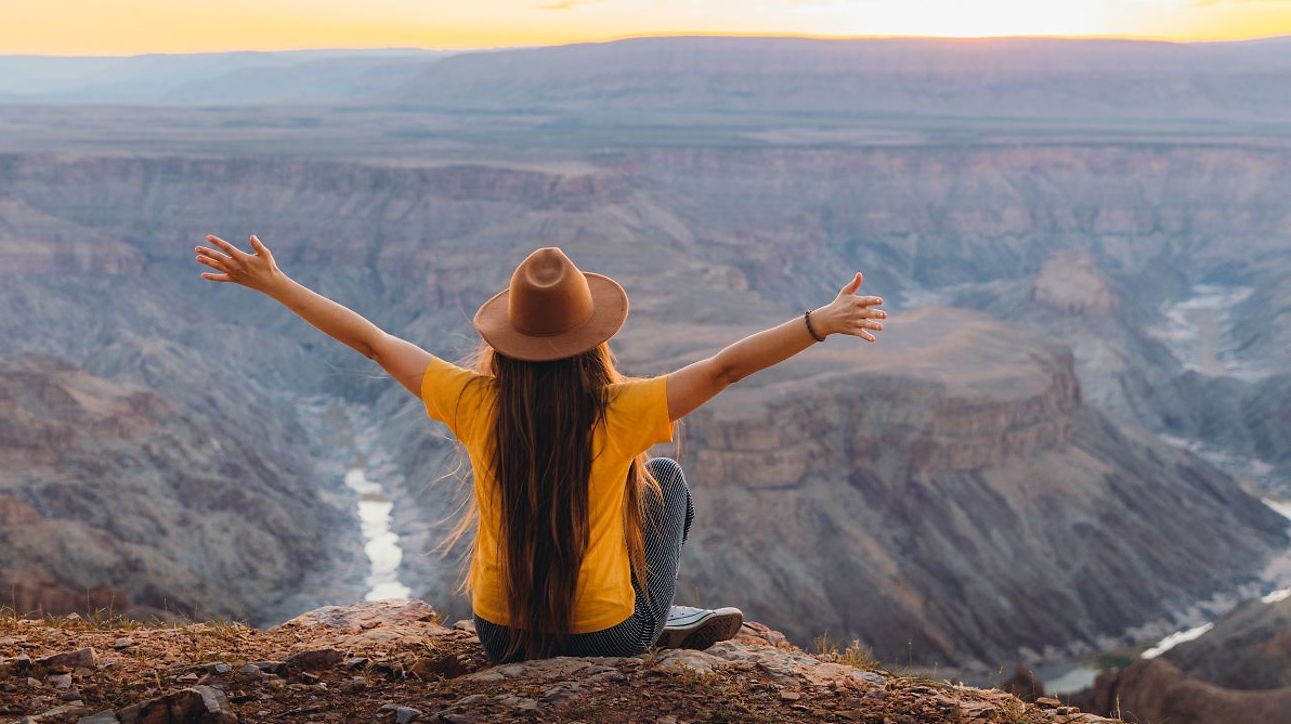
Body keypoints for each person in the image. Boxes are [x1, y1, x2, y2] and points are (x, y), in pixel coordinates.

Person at [194, 235, 886, 663]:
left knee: (644, 480)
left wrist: (275, 284)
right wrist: (816, 323)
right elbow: (725, 368)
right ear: (594, 340)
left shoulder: (473, 402)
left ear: (509, 341)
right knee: (663, 479)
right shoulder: (621, 410)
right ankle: (657, 619)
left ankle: (639, 611)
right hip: (607, 640)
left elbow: (373, 341)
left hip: (498, 635)